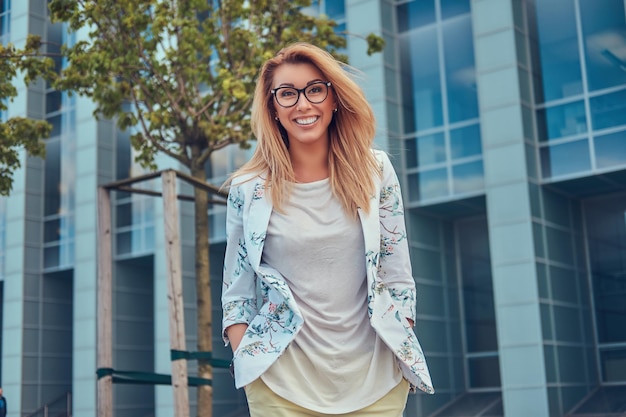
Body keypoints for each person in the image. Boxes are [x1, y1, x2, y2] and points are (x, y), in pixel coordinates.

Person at [221, 42, 434, 417]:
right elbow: (237, 292)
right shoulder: (248, 188)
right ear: (272, 107)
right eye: (287, 94)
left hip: (375, 383)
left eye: (315, 89)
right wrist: (250, 362)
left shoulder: (375, 171)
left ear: (334, 98)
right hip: (280, 386)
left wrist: (401, 331)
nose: (303, 105)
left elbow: (396, 272)